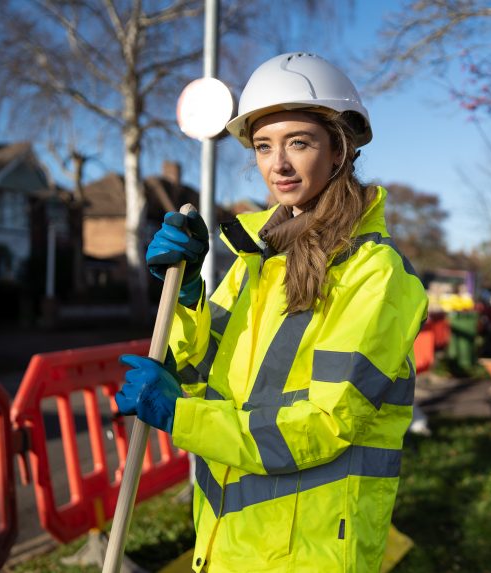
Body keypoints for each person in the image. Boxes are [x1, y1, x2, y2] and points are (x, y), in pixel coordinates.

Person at [116, 52, 428, 573]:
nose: (278, 164)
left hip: (310, 550)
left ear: (338, 152)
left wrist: (180, 417)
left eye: (298, 143)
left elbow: (328, 424)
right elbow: (196, 374)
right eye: (264, 146)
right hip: (226, 543)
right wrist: (188, 291)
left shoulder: (376, 274)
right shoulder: (255, 260)